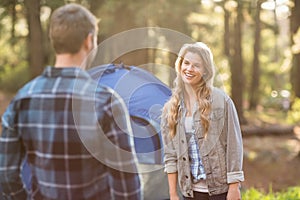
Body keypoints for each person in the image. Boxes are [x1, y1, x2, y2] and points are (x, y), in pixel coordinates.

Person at [0, 3, 141, 200]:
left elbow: (6, 175)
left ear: (55, 41)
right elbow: (127, 188)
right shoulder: (106, 102)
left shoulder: (22, 99)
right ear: (89, 41)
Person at [161, 42, 244, 200]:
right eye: (186, 63)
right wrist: (173, 194)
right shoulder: (170, 108)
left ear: (205, 70)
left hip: (220, 191)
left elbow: (234, 145)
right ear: (179, 65)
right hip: (189, 193)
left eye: (196, 65)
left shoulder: (222, 101)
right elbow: (170, 156)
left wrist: (234, 187)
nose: (189, 69)